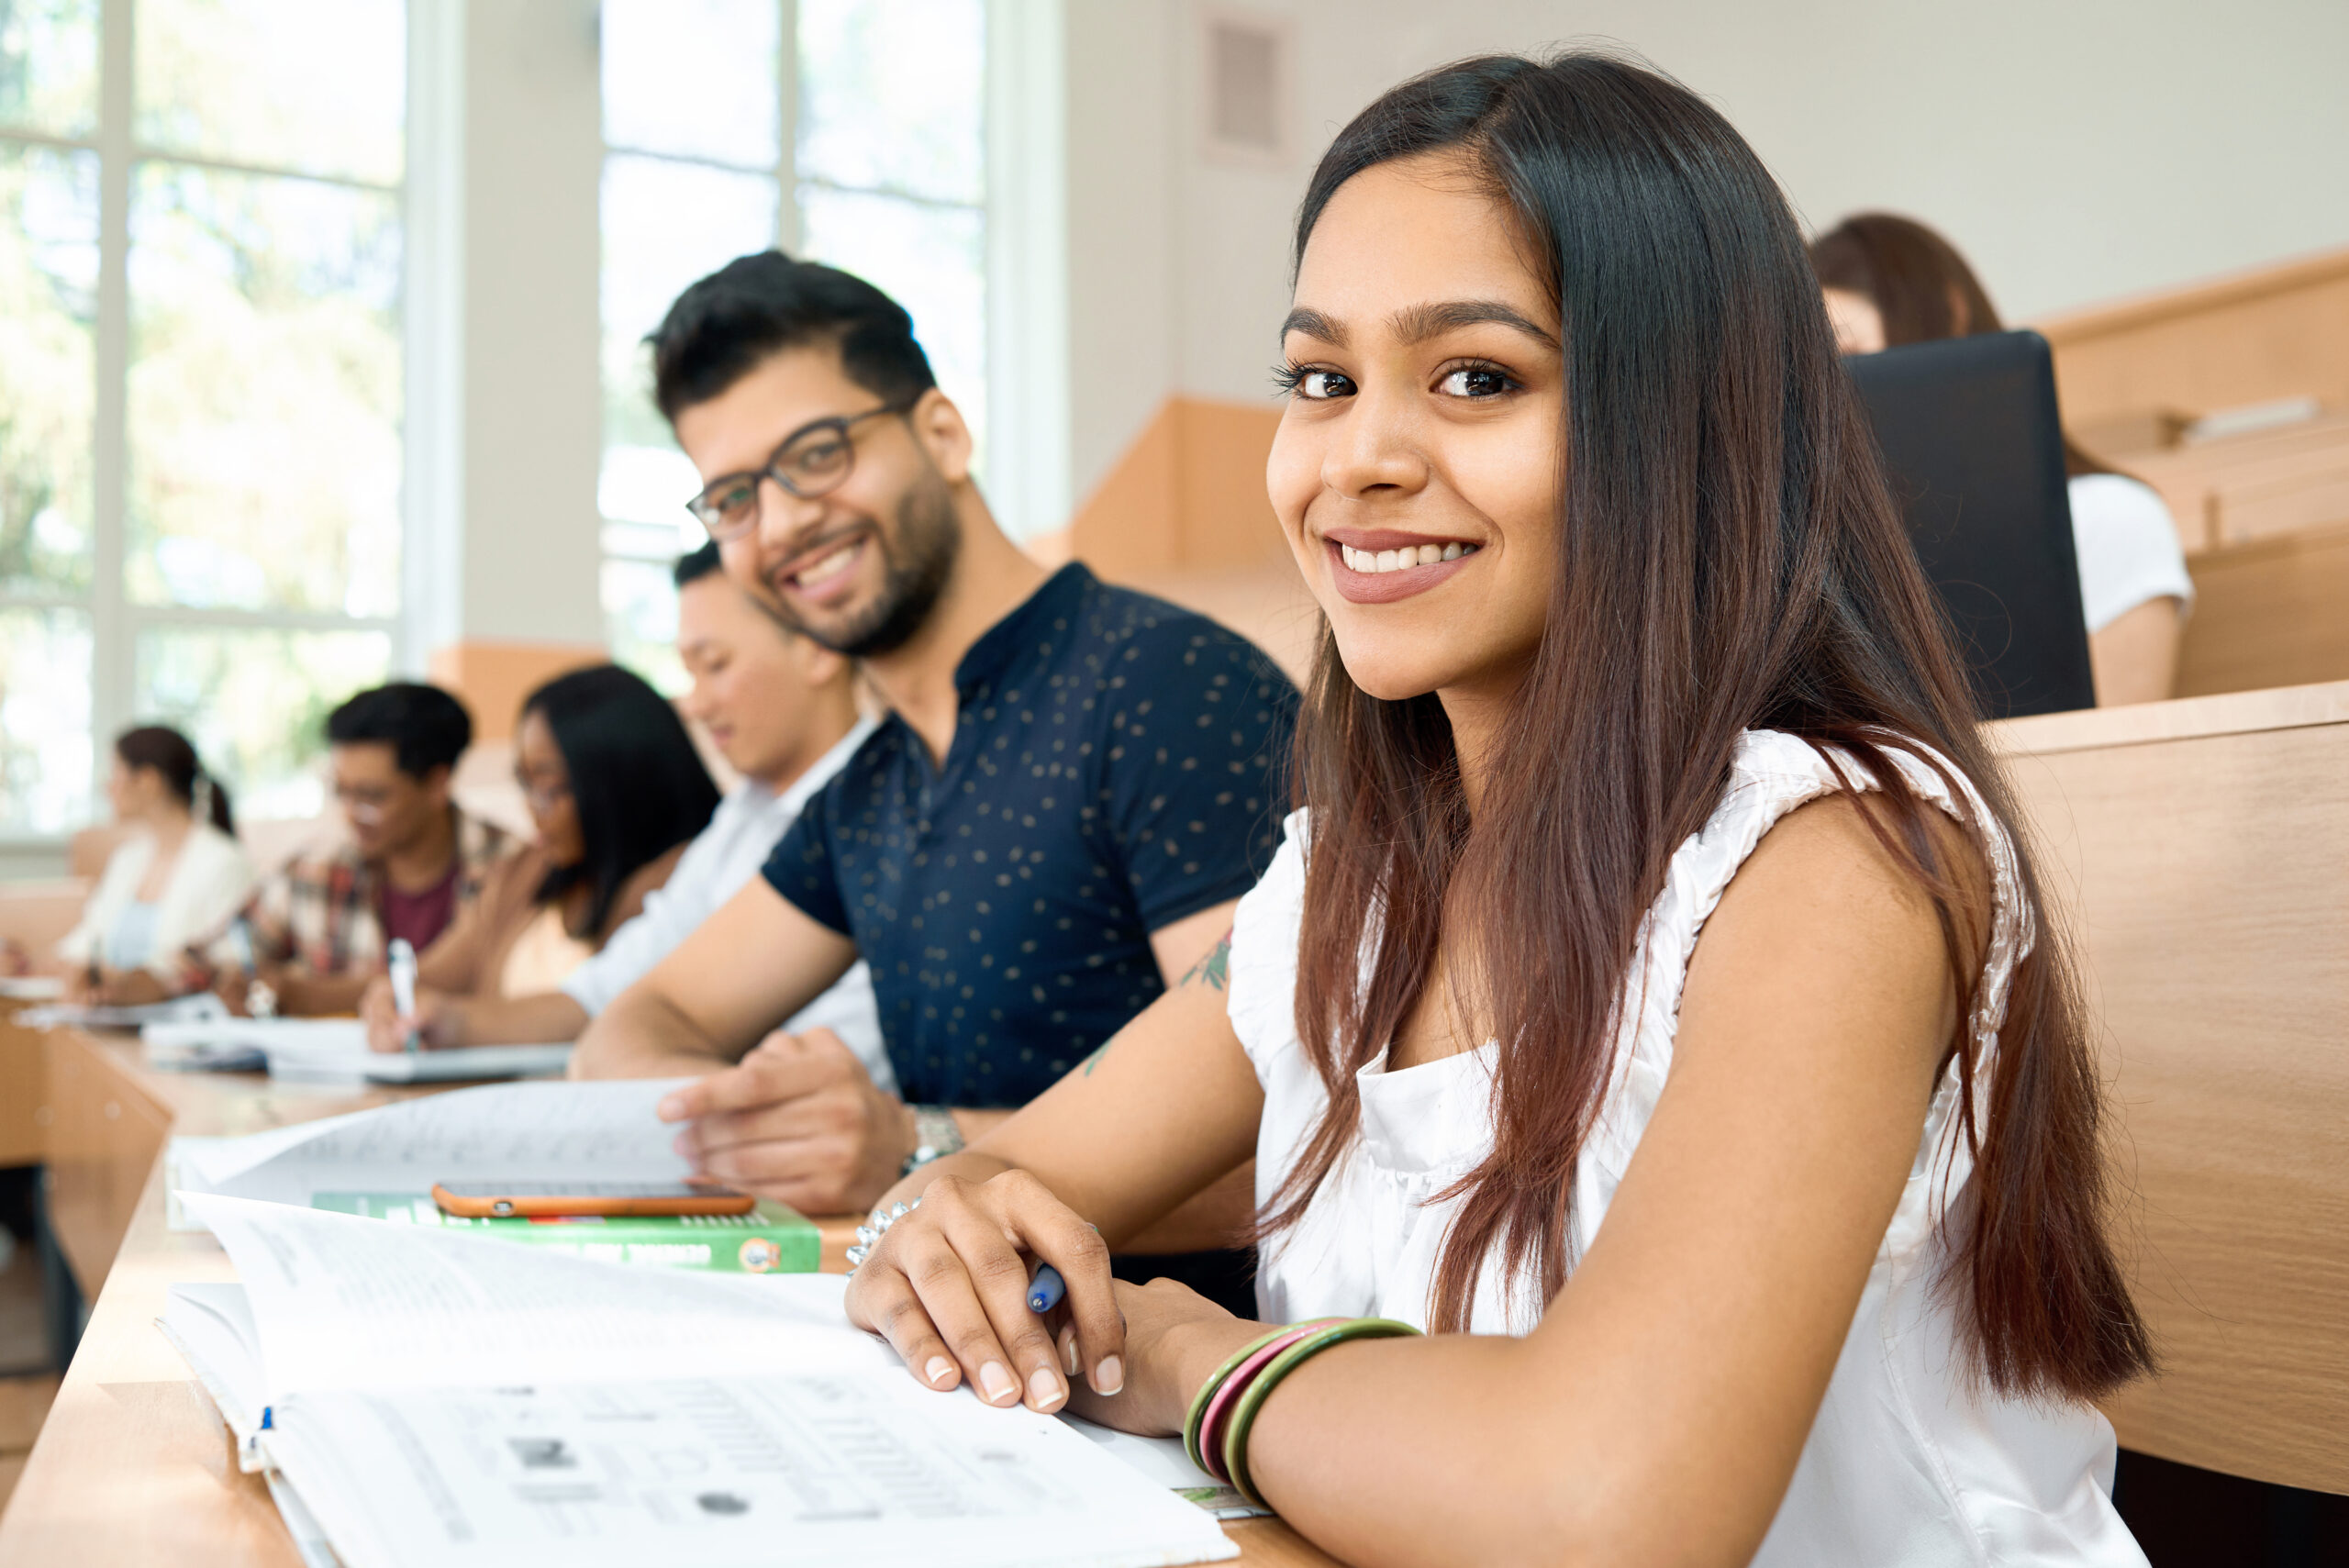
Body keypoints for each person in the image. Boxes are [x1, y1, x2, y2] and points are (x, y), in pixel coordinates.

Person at [837, 52, 2154, 1568]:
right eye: (1320, 377)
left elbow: (1609, 1502)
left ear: (1684, 423)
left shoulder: (1834, 852)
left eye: (1477, 376)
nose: (1359, 456)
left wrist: (1193, 1360)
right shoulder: (1343, 883)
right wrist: (942, 1247)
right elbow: (1002, 1183)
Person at [572, 252, 1297, 1278]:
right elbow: (635, 1024)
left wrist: (916, 1148)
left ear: (944, 434)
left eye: (816, 454)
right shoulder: (871, 783)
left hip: (1166, 1396)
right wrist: (744, 1122)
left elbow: (1299, 1146)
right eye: (732, 498)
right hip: (946, 1363)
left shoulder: (1167, 688)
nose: (779, 523)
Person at [358, 546, 888, 1085]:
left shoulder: (888, 815)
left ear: (820, 649)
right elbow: (611, 990)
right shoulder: (745, 815)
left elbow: (822, 1062)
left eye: (716, 665)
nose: (693, 704)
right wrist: (454, 1021)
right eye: (688, 671)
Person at [1810, 212, 2195, 707]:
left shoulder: (2110, 517)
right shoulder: (1830, 555)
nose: (1840, 394)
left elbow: (2122, 756)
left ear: (1949, 313)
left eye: (1852, 354)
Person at [361, 664, 718, 1040]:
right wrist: (393, 995)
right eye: (524, 782)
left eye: (549, 788)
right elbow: (434, 974)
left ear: (623, 783)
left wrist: (461, 1021)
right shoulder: (528, 870)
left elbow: (604, 1011)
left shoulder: (684, 884)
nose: (532, 809)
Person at [202, 683, 515, 1017]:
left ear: (437, 783)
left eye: (372, 797)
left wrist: (308, 996)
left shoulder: (512, 869)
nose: (350, 813)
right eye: (341, 791)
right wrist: (236, 981)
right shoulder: (319, 867)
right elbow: (210, 957)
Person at [34, 727, 253, 1005]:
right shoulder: (128, 859)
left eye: (115, 772)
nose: (107, 786)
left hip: (176, 1022)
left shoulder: (224, 863)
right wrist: (41, 963)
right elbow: (90, 935)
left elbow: (219, 964)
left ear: (148, 780)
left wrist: (124, 982)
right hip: (110, 1015)